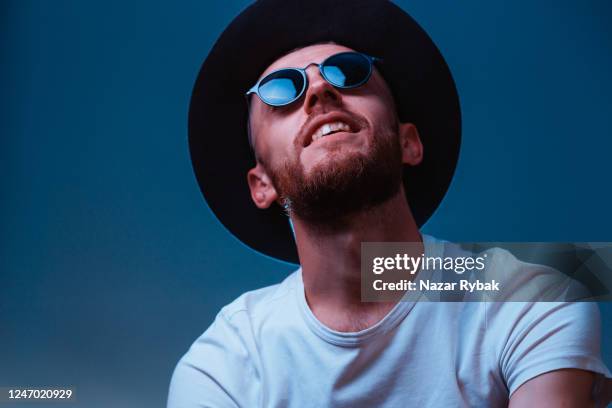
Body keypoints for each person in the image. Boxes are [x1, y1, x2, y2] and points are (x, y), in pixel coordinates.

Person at [168, 0, 611, 406]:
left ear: (408, 142)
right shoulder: (226, 363)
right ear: (261, 184)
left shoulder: (529, 299)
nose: (320, 90)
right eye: (281, 90)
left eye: (349, 70)